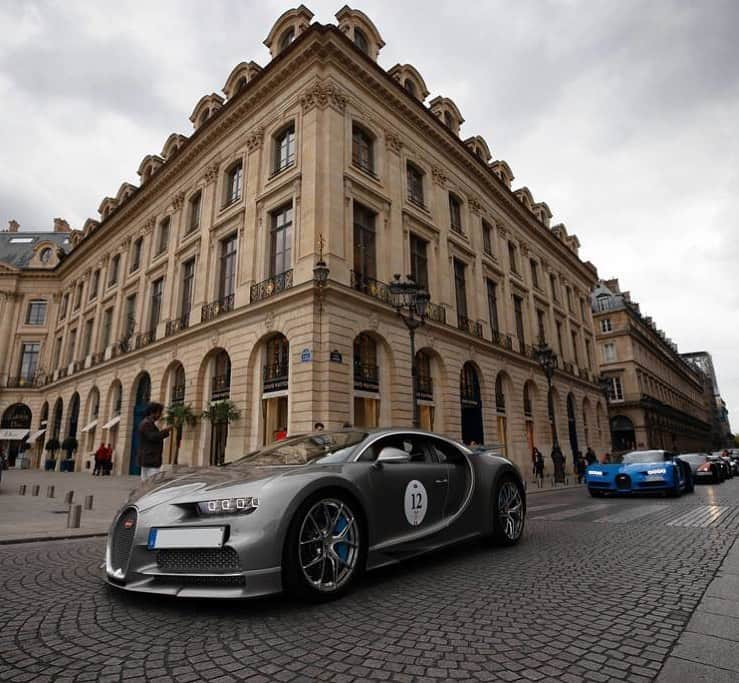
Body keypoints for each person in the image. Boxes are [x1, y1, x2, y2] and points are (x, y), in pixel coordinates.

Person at [137, 402, 171, 481]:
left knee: (147, 482)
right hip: (150, 459)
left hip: (149, 458)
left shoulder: (148, 423)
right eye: (159, 412)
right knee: (152, 482)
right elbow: (153, 437)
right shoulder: (146, 424)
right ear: (153, 412)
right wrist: (166, 431)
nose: (160, 415)